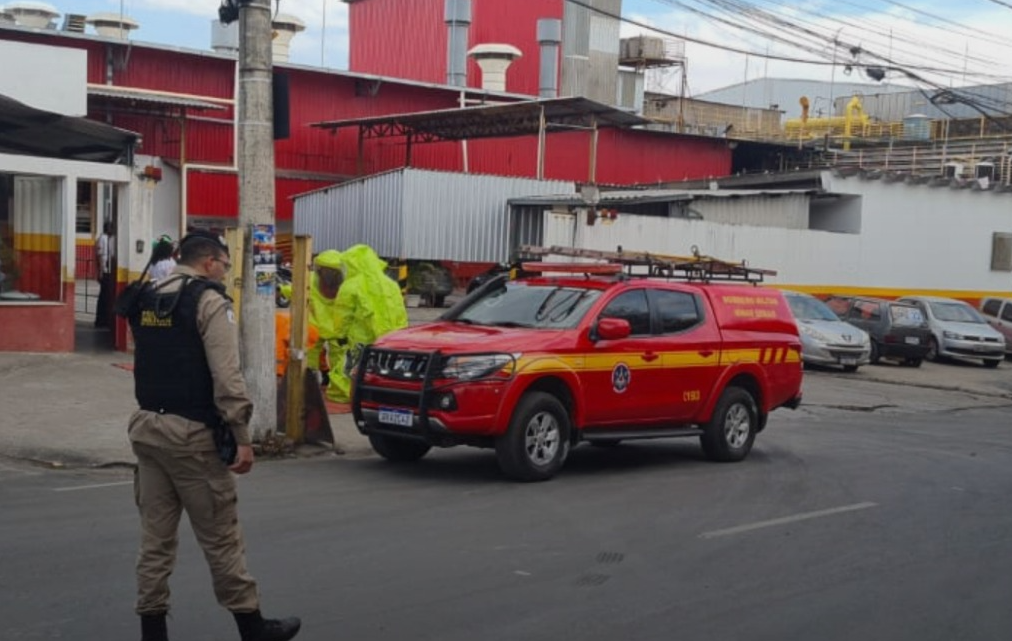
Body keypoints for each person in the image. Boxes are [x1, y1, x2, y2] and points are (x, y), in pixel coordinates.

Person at [125, 230, 301, 641]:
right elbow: (227, 376)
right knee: (221, 537)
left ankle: (152, 631)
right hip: (192, 436)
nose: (224, 272)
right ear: (209, 262)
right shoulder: (208, 300)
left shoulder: (148, 295)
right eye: (224, 264)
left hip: (148, 428)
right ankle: (253, 627)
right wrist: (241, 434)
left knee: (155, 541)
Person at [327, 244, 409, 403]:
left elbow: (343, 315)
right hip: (390, 339)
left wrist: (340, 336)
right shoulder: (390, 284)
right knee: (383, 369)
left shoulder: (350, 286)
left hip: (360, 338)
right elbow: (400, 311)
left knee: (351, 370)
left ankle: (349, 395)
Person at [306, 249, 343, 390]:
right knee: (312, 357)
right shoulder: (309, 280)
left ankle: (310, 385)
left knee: (339, 359)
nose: (329, 277)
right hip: (324, 328)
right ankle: (313, 384)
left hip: (326, 328)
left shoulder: (309, 279)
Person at [94, 222, 114, 327]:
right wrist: (100, 272)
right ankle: (101, 320)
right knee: (104, 296)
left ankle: (103, 320)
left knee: (104, 296)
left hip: (106, 270)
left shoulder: (107, 239)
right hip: (105, 271)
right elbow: (101, 257)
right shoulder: (103, 239)